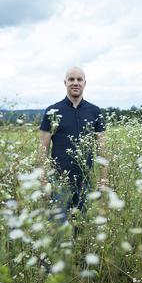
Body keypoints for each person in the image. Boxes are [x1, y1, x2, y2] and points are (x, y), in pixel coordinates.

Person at [39, 67, 107, 221]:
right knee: (58, 230)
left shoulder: (95, 111)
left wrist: (103, 180)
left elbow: (102, 149)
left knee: (82, 229)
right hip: (59, 182)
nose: (75, 83)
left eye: (79, 79)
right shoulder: (52, 111)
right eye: (71, 79)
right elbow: (43, 148)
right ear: (65, 83)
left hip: (85, 182)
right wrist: (43, 181)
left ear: (84, 83)